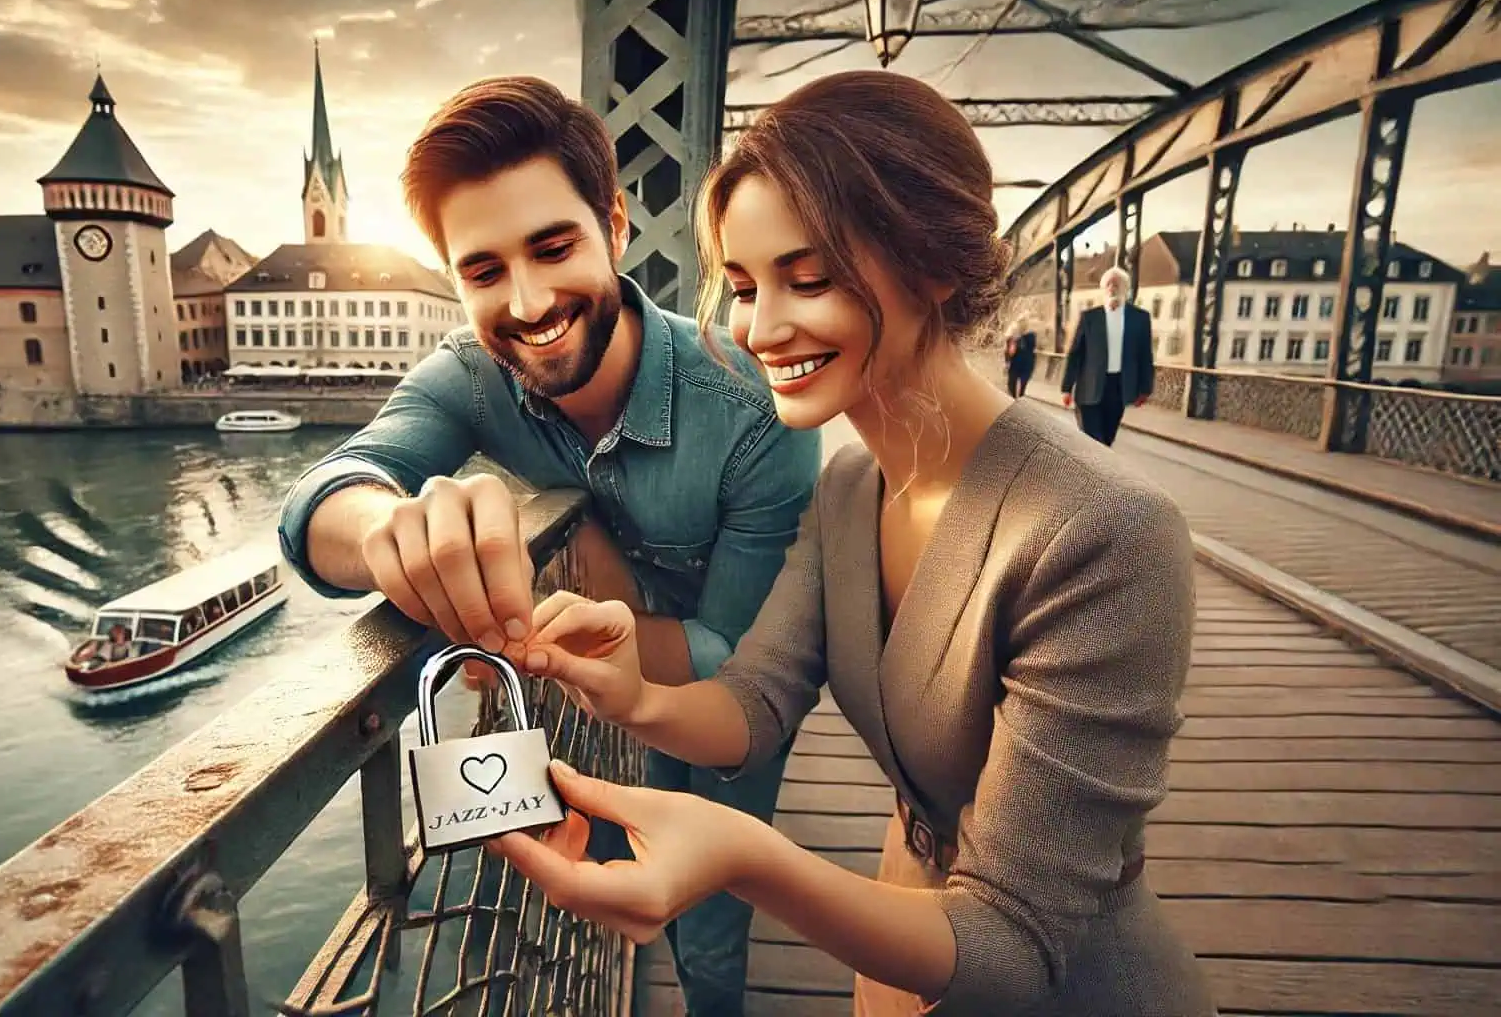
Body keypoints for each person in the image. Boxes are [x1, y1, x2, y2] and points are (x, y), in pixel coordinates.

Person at [486, 70, 1216, 1017]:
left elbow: (1014, 947)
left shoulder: (1107, 532)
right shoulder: (848, 485)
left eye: (810, 278)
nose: (760, 328)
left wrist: (745, 859)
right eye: (743, 286)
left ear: (935, 268)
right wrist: (629, 692)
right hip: (896, 948)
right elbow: (756, 702)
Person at [274, 76, 822, 1015]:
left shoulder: (753, 406)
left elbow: (732, 666)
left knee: (716, 910)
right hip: (596, 689)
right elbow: (322, 496)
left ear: (613, 227)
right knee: (610, 880)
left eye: (553, 247)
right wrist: (388, 530)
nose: (526, 303)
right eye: (483, 271)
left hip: (726, 696)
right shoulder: (467, 377)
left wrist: (567, 632)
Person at [1061, 266, 1153, 446]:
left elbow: (1145, 355)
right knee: (1092, 440)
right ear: (1103, 288)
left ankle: (1095, 471)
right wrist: (1066, 387)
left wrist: (1145, 389)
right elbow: (1075, 354)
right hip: (1089, 388)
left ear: (1125, 288)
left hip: (1118, 388)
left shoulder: (1140, 318)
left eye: (1117, 284)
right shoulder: (1089, 317)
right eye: (1109, 284)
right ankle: (1091, 472)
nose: (1112, 287)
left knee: (1107, 441)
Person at [1003, 321, 1036, 399]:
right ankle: (1014, 399)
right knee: (1012, 385)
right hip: (1015, 364)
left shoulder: (1030, 336)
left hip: (1026, 364)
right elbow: (1008, 351)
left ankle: (1019, 398)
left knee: (1022, 385)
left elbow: (1032, 346)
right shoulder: (1011, 336)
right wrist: (1007, 362)